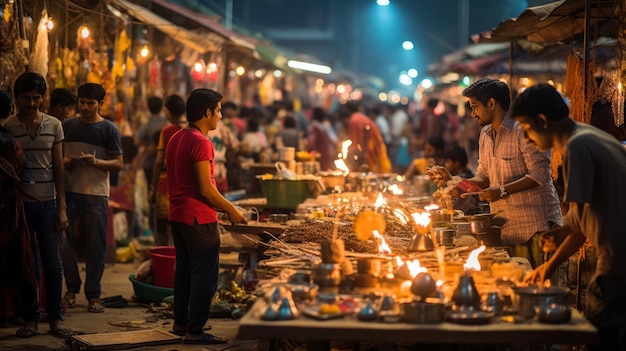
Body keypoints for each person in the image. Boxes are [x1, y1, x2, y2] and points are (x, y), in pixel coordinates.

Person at [517, 84, 626, 350]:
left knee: (604, 339)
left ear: (542, 121)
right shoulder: (591, 135)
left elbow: (581, 224)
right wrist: (551, 261)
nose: (527, 138)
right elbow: (583, 217)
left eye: (527, 128)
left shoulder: (577, 146)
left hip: (616, 265)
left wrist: (554, 255)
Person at [430, 78, 562, 268]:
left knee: (541, 285)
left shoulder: (522, 130)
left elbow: (540, 175)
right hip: (507, 227)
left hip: (536, 225)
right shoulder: (485, 134)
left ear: (492, 103)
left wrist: (501, 190)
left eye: (475, 106)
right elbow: (484, 175)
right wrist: (457, 186)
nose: (472, 113)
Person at [165, 88, 246, 344]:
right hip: (197, 218)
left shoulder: (176, 137)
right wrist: (231, 209)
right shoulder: (201, 142)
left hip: (178, 215)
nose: (220, 116)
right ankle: (195, 331)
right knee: (205, 276)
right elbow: (205, 189)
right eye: (219, 110)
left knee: (185, 272)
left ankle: (180, 324)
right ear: (207, 111)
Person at [2, 73, 73, 337]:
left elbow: (59, 170)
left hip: (48, 204)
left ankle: (55, 318)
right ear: (17, 98)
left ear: (42, 98)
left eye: (36, 98)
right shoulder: (8, 127)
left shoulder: (55, 125)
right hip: (19, 205)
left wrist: (62, 207)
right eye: (26, 98)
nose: (31, 103)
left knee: (53, 263)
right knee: (27, 265)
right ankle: (30, 319)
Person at [62, 83, 123, 314]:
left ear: (100, 104)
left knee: (95, 245)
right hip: (69, 190)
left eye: (91, 103)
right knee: (65, 243)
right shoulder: (67, 126)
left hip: (96, 193)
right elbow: (57, 157)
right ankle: (71, 289)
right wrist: (65, 162)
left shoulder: (109, 129)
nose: (85, 107)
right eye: (82, 102)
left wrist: (96, 162)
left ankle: (93, 295)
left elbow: (118, 163)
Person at [148, 94, 187, 246]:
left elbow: (159, 161)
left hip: (166, 185)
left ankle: (164, 254)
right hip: (185, 186)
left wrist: (152, 188)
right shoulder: (194, 130)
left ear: (169, 112)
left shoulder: (166, 131)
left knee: (163, 227)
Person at [338, 101, 392, 174]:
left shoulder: (354, 120)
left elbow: (356, 147)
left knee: (378, 175)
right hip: (378, 148)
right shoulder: (359, 117)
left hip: (373, 151)